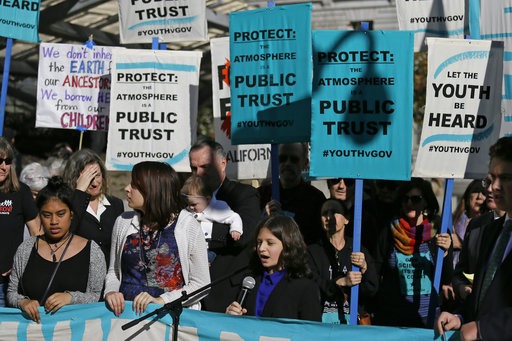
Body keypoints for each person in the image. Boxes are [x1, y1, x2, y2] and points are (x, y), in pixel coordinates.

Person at [104, 161, 210, 316]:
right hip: (124, 315)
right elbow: (114, 271)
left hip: (167, 318)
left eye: (134, 185)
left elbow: (201, 284)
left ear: (152, 190)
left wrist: (162, 300)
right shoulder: (123, 221)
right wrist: (111, 292)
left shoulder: (187, 225)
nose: (126, 188)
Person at [437, 136, 512, 340]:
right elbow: (482, 297)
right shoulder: (489, 232)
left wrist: (483, 329)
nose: (492, 187)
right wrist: (460, 317)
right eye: (491, 178)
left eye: (505, 178)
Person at [6, 176, 106, 323]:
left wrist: (70, 298)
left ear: (71, 214)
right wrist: (23, 302)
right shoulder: (26, 249)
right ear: (39, 215)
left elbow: (96, 295)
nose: (54, 222)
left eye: (61, 214)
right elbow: (11, 292)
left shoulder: (92, 251)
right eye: (47, 215)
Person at [189, 138, 260, 313]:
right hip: (191, 294)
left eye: (205, 167)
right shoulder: (186, 196)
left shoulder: (244, 195)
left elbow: (244, 236)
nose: (198, 174)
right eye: (193, 168)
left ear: (222, 163)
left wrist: (197, 232)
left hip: (227, 295)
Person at [373, 177, 452, 327]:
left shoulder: (439, 230)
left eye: (415, 199)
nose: (409, 204)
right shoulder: (390, 230)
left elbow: (447, 278)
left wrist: (446, 252)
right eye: (405, 199)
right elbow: (377, 270)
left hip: (427, 318)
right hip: (394, 318)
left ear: (426, 201)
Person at [225, 215, 322, 321]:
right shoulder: (250, 281)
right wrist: (230, 315)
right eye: (259, 242)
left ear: (288, 245)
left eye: (270, 243)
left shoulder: (304, 287)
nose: (261, 248)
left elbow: (312, 331)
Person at [308, 199, 378, 324]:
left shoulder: (358, 250)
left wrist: (364, 268)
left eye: (334, 212)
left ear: (346, 219)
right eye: (324, 213)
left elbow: (372, 289)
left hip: (352, 324)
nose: (329, 217)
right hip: (320, 325)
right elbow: (310, 286)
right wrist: (340, 282)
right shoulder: (313, 251)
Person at [62, 149, 124, 264]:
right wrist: (79, 192)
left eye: (97, 175)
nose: (94, 183)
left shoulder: (116, 204)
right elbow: (66, 235)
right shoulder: (66, 205)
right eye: (89, 177)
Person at [259, 143, 326, 246]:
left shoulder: (316, 199)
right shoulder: (261, 195)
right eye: (282, 158)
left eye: (294, 159)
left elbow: (319, 243)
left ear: (305, 163)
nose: (287, 164)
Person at [451, 176, 505, 303]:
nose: (490, 189)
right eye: (488, 182)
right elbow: (459, 273)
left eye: (500, 182)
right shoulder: (476, 225)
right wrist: (461, 288)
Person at [0, 137, 40, 307]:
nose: (3, 166)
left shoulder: (20, 191)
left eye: (7, 161)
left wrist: (23, 264)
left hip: (8, 286)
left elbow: (37, 234)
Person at [181, 175, 243, 264]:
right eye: (188, 203)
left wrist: (236, 229)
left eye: (194, 204)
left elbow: (234, 217)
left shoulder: (217, 208)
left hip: (208, 248)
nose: (190, 207)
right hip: (191, 247)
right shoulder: (189, 210)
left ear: (207, 199)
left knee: (204, 259)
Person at [451, 180, 487, 268]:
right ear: (467, 196)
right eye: (475, 191)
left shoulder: (490, 223)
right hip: (450, 275)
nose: (479, 196)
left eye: (484, 193)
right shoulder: (451, 220)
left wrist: (460, 245)